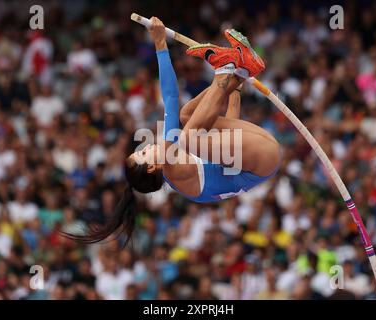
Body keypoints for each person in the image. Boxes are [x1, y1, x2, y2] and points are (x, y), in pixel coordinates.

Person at [66, 17, 281, 245]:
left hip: (257, 156)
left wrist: (235, 87)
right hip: (262, 159)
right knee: (189, 136)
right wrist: (160, 44)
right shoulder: (176, 166)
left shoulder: (172, 162)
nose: (145, 147)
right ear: (153, 166)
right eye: (142, 153)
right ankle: (225, 69)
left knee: (186, 117)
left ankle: (238, 69)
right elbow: (170, 98)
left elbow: (228, 149)